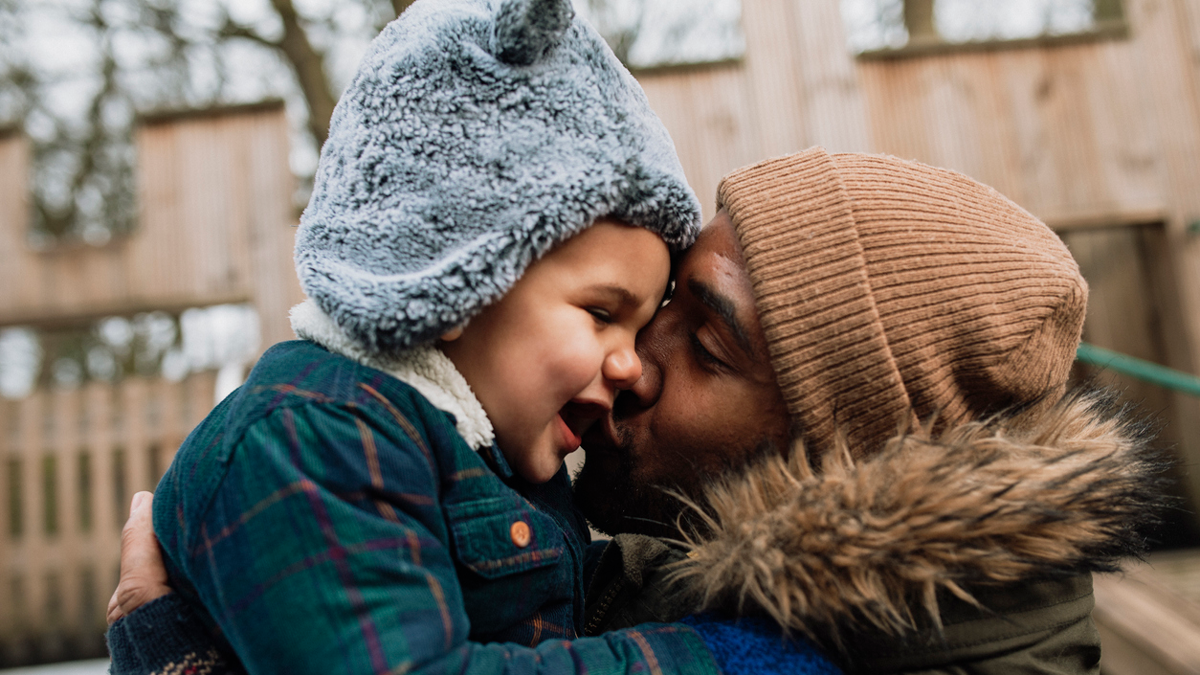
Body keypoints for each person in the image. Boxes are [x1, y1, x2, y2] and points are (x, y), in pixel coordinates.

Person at [109, 148, 1167, 675]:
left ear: (853, 458)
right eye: (644, 308)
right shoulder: (691, 590)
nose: (625, 366)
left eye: (703, 343)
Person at [105, 0, 772, 672]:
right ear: (456, 275)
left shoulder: (467, 444)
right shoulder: (311, 441)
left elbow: (546, 603)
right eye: (602, 314)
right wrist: (712, 657)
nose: (630, 363)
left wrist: (752, 589)